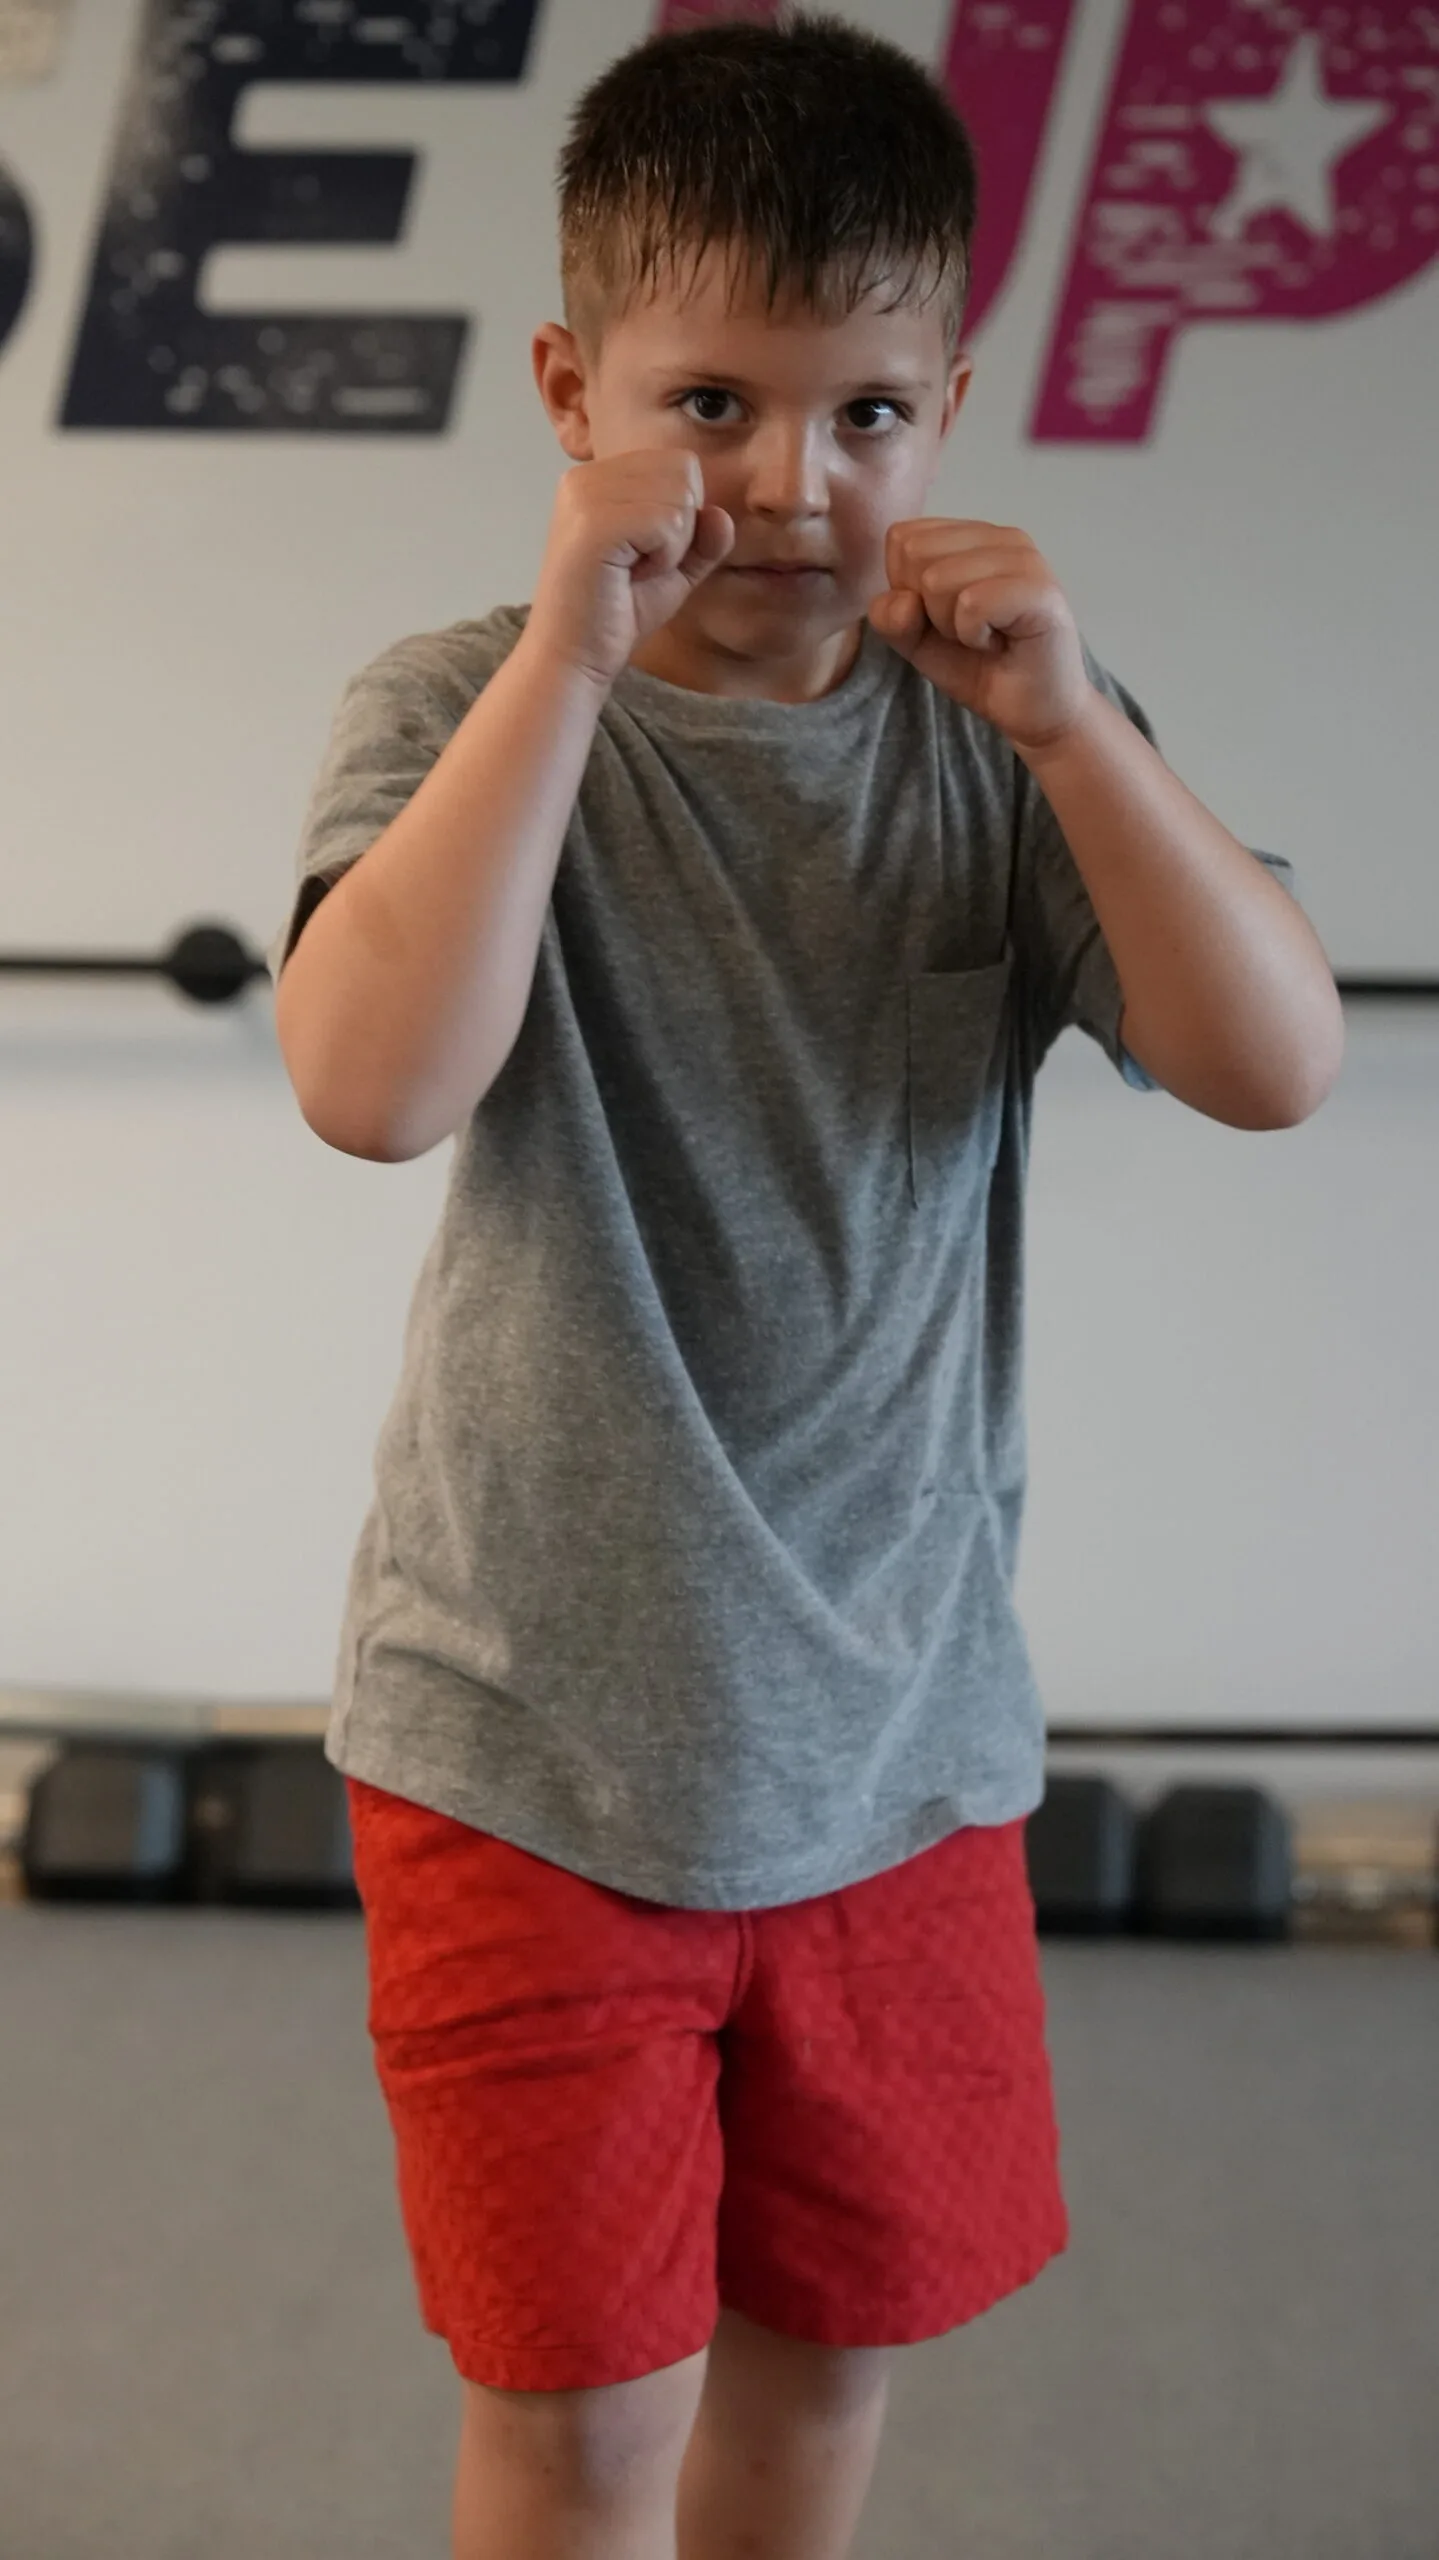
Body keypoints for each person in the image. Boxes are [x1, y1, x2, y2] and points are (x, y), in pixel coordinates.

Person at [269, 13, 1342, 2558]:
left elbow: (1272, 1058)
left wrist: (1080, 739)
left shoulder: (1003, 739)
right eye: (710, 403)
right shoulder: (452, 703)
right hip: (527, 1748)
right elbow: (370, 1082)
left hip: (898, 1757)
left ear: (947, 407)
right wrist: (557, 659)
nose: (784, 484)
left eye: (864, 414)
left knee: (817, 2396)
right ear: (568, 392)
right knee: (580, 2426)